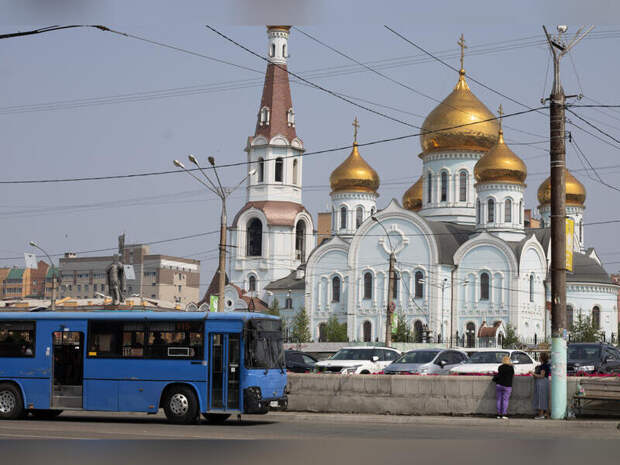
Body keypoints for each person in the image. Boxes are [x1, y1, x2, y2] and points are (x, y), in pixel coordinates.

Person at [531, 352, 551, 419]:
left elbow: (542, 375)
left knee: (541, 398)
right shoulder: (545, 365)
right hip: (544, 382)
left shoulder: (543, 366)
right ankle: (546, 414)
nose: (539, 357)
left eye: (540, 356)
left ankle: (541, 415)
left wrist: (533, 374)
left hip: (542, 383)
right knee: (544, 398)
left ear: (542, 358)